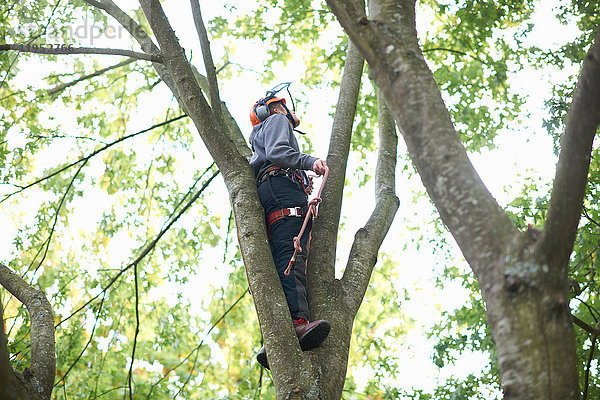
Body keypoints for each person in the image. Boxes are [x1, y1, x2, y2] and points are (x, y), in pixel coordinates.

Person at [249, 89, 330, 369]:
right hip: (283, 188)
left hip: (275, 189)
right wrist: (309, 162)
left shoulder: (259, 138)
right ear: (276, 107)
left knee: (281, 250)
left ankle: (273, 334)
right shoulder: (277, 120)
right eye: (285, 106)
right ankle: (297, 322)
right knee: (292, 251)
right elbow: (279, 152)